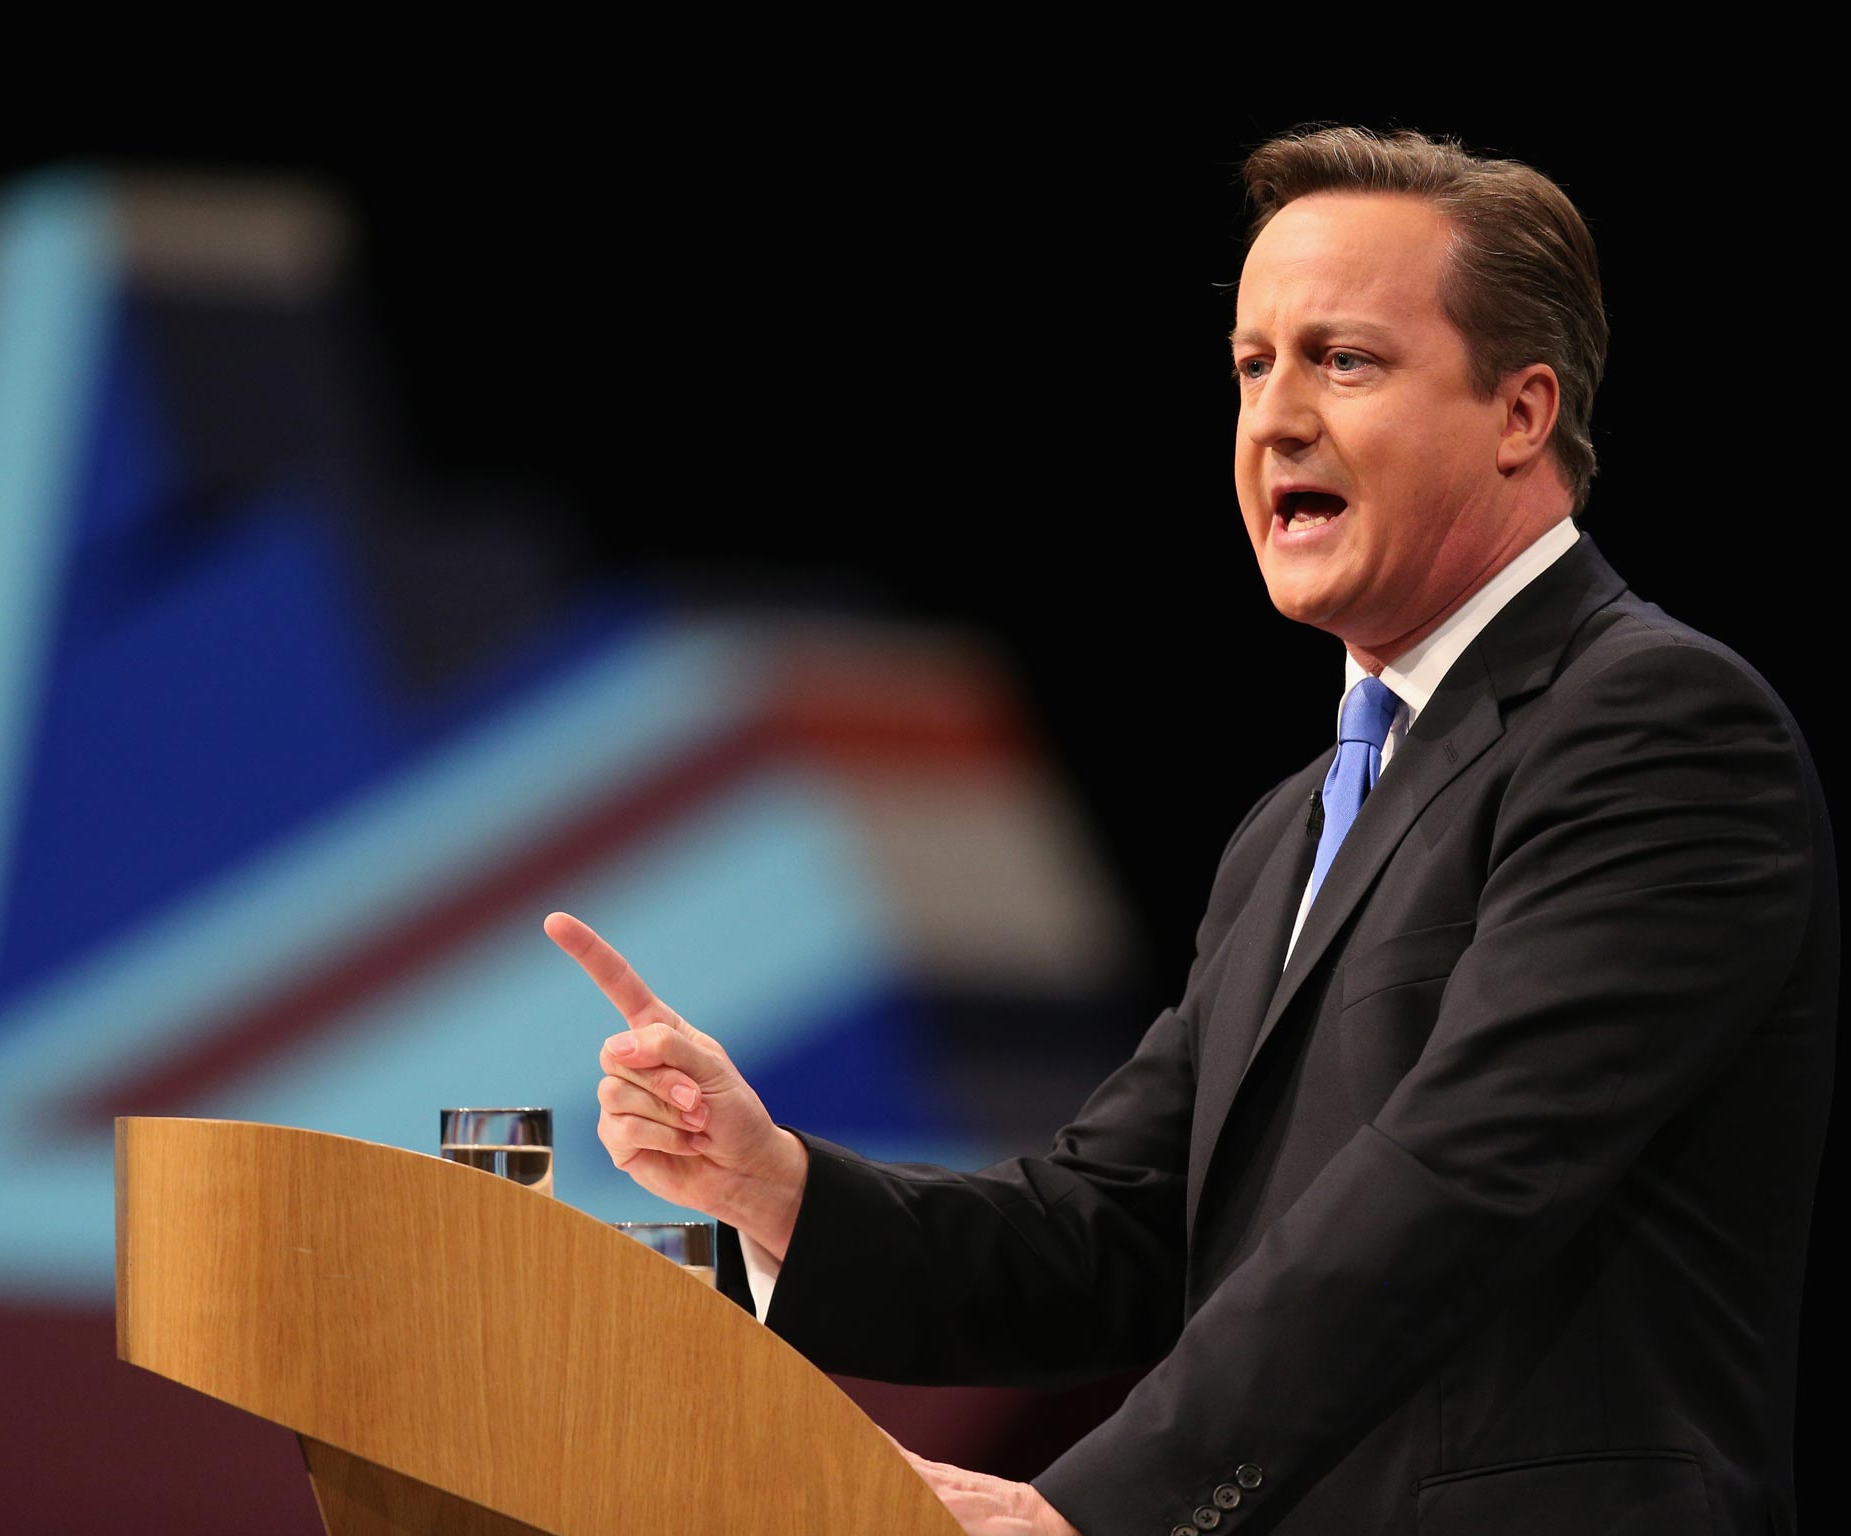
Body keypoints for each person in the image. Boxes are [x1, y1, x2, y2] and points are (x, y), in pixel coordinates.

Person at [545, 127, 1837, 1535]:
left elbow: (1453, 1184)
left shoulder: (1655, 727)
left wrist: (1095, 1509)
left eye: (1344, 360)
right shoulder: (1296, 827)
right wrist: (775, 1183)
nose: (1275, 417)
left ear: (1522, 412)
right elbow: (1117, 1227)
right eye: (1250, 365)